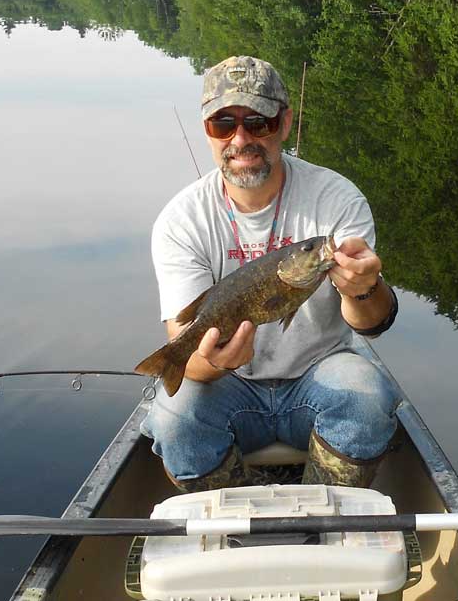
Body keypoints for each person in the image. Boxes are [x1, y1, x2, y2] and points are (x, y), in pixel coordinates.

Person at [141, 55, 400, 491]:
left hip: (321, 371)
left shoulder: (336, 198)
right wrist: (211, 361)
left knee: (369, 401)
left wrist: (364, 288)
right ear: (207, 131)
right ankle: (244, 517)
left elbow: (372, 325)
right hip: (230, 387)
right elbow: (187, 358)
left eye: (257, 122)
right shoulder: (181, 219)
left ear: (284, 123)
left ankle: (323, 520)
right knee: (174, 421)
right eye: (223, 124)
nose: (240, 139)